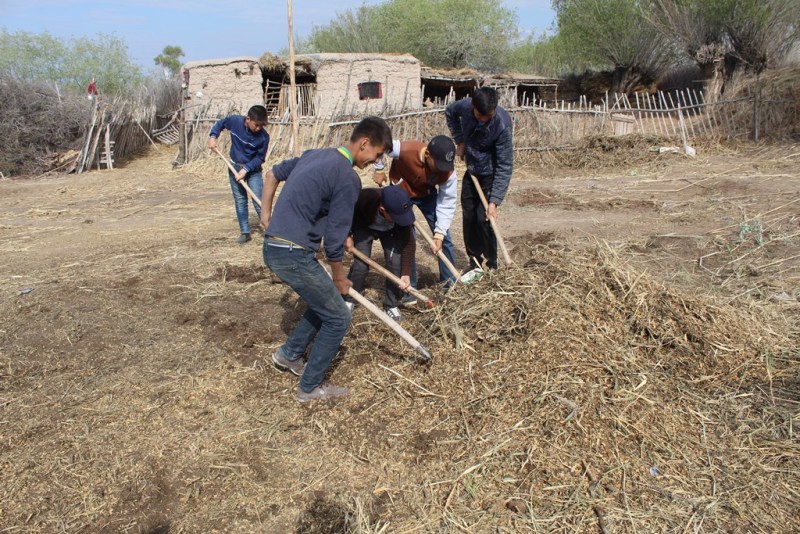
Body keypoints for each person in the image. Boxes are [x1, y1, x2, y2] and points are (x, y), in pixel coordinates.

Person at [260, 116, 393, 403]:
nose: (376, 161)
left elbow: (272, 174)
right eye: (378, 154)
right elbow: (333, 241)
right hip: (293, 254)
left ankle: (289, 355)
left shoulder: (315, 155)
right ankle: (309, 387)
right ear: (365, 143)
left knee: (325, 303)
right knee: (338, 316)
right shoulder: (348, 177)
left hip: (275, 246)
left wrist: (266, 215)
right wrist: (340, 275)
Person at [372, 135, 458, 298]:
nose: (442, 169)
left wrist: (439, 234)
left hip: (427, 194)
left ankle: (450, 286)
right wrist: (379, 168)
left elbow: (447, 202)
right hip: (400, 193)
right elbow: (379, 143)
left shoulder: (448, 173)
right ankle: (409, 290)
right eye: (438, 165)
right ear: (427, 155)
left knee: (444, 239)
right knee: (406, 238)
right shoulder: (404, 149)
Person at [445, 87, 513, 271]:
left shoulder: (502, 125)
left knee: (485, 219)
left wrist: (495, 201)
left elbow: (505, 165)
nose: (483, 119)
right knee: (469, 217)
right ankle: (474, 261)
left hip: (489, 174)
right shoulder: (465, 106)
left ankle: (492, 263)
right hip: (471, 169)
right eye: (480, 114)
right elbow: (449, 112)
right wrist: (460, 141)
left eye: (488, 116)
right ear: (472, 105)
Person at [345, 185, 416, 322]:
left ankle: (391, 304)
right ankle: (350, 299)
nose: (400, 220)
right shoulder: (366, 198)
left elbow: (409, 243)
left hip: (389, 232)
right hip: (364, 226)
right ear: (383, 210)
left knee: (395, 264)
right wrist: (347, 234)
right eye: (396, 217)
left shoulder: (401, 212)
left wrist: (406, 273)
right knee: (361, 266)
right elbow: (347, 213)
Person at [208, 105, 269, 244]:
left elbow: (260, 158)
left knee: (259, 201)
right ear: (248, 119)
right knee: (240, 200)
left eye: (261, 125)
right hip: (234, 166)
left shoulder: (264, 137)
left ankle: (270, 232)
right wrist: (213, 136)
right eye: (256, 125)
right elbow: (220, 123)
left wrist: (246, 169)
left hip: (253, 171)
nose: (258, 128)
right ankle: (245, 232)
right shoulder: (235, 121)